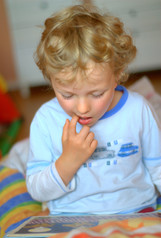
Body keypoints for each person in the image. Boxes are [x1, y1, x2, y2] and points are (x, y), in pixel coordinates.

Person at [26, 4, 161, 215]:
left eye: (97, 94)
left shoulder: (139, 110)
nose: (82, 108)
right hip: (71, 217)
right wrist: (67, 161)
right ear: (51, 80)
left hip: (136, 210)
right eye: (67, 95)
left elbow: (158, 168)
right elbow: (37, 191)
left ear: (117, 74)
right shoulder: (46, 120)